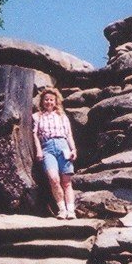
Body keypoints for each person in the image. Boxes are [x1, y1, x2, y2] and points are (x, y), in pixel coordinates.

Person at [31, 87, 79, 219]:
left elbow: (69, 135)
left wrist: (73, 149)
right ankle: (62, 209)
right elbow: (35, 135)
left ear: (56, 101)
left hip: (63, 147)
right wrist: (39, 150)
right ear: (42, 101)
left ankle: (71, 211)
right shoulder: (36, 117)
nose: (49, 102)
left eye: (51, 100)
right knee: (53, 179)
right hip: (47, 148)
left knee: (66, 182)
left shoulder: (62, 117)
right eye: (46, 99)